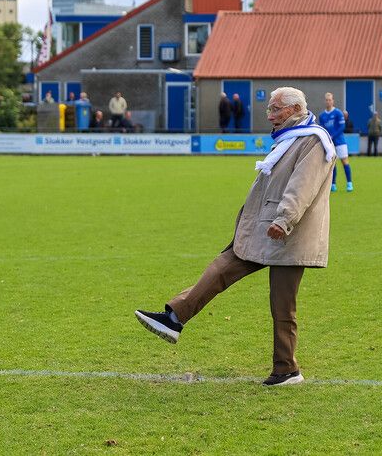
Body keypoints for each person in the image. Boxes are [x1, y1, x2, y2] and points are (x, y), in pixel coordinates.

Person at [135, 87, 335, 386]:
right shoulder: (290, 138)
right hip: (266, 227)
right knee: (224, 267)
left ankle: (286, 370)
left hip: (286, 233)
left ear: (294, 110)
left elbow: (301, 187)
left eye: (275, 108)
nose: (269, 114)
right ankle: (175, 318)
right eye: (269, 108)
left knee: (281, 305)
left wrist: (284, 220)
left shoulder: (313, 141)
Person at [318, 92, 354, 192]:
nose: (328, 101)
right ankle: (333, 184)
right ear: (325, 101)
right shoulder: (322, 115)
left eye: (330, 100)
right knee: (332, 163)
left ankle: (349, 183)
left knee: (345, 162)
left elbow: (342, 127)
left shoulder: (338, 113)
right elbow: (322, 128)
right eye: (327, 100)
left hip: (340, 142)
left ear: (333, 101)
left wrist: (332, 135)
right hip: (329, 143)